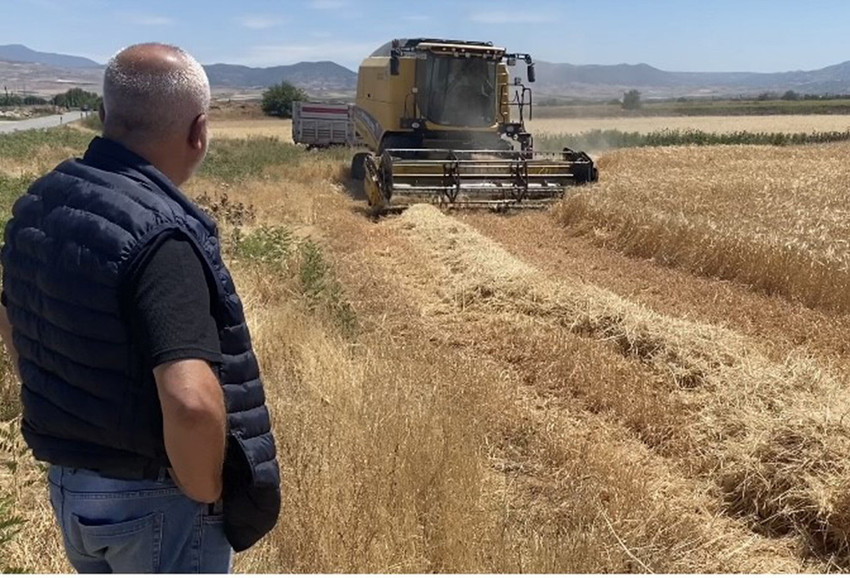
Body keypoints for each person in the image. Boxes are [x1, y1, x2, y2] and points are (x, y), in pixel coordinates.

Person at [0, 43, 280, 573]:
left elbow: (11, 316)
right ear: (199, 130)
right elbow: (191, 403)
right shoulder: (160, 235)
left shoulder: (41, 203)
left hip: (72, 488)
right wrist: (205, 489)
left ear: (104, 117)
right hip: (155, 503)